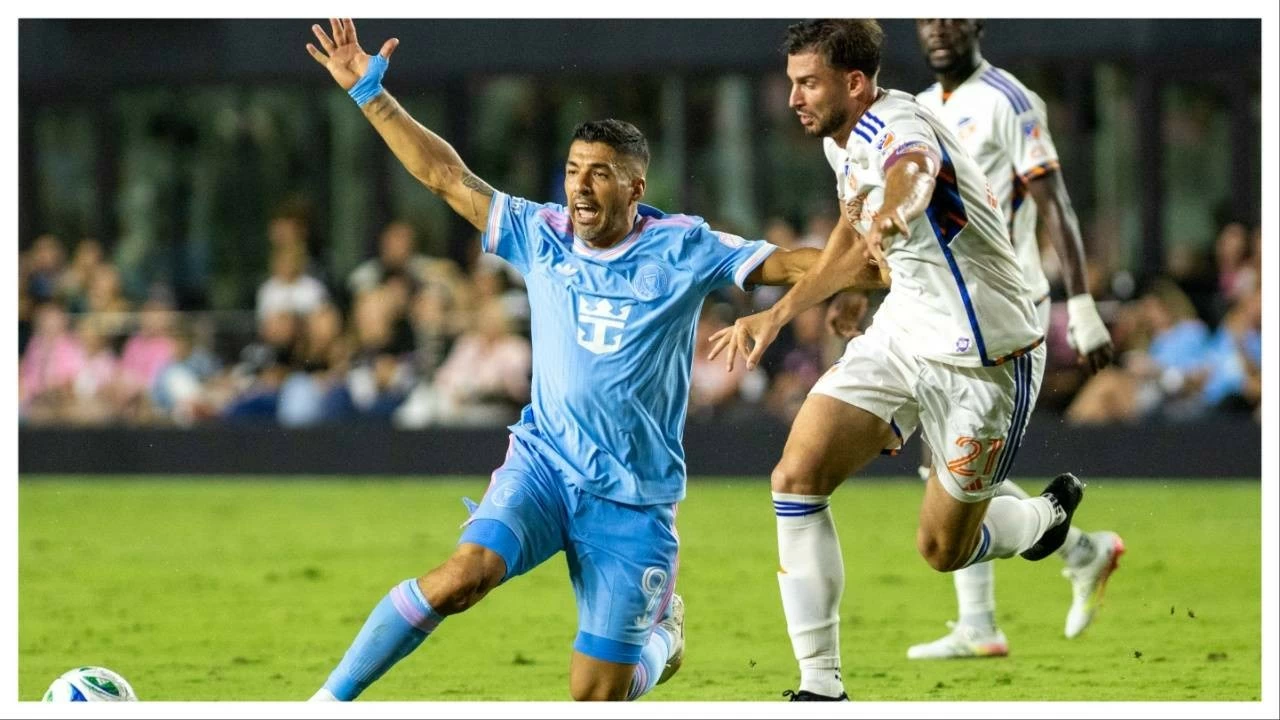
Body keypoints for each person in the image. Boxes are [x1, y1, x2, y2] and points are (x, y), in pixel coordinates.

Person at [303, 18, 876, 702]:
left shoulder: (682, 246)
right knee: (463, 575)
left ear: (634, 189)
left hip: (634, 499)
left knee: (595, 693)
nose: (579, 187)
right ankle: (323, 704)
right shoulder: (538, 233)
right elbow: (444, 176)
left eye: (599, 175)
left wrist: (887, 270)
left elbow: (789, 263)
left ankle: (664, 639)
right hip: (544, 464)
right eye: (574, 171)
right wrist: (371, 93)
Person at [709, 19, 1086, 701]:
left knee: (943, 550)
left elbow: (910, 179)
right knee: (796, 476)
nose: (794, 96)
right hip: (905, 330)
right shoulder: (840, 142)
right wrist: (829, 297)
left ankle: (1041, 520)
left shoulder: (901, 125)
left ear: (854, 83)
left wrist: (887, 218)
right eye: (791, 82)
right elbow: (854, 227)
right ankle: (820, 687)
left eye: (807, 82)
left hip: (986, 356)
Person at [904, 18, 1125, 657]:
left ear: (978, 22)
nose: (940, 28)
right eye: (927, 17)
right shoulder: (917, 108)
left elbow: (1054, 201)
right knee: (949, 468)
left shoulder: (1011, 99)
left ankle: (1009, 602)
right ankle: (1067, 563)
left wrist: (1083, 304)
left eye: (953, 15)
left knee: (960, 468)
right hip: (947, 306)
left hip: (1008, 307)